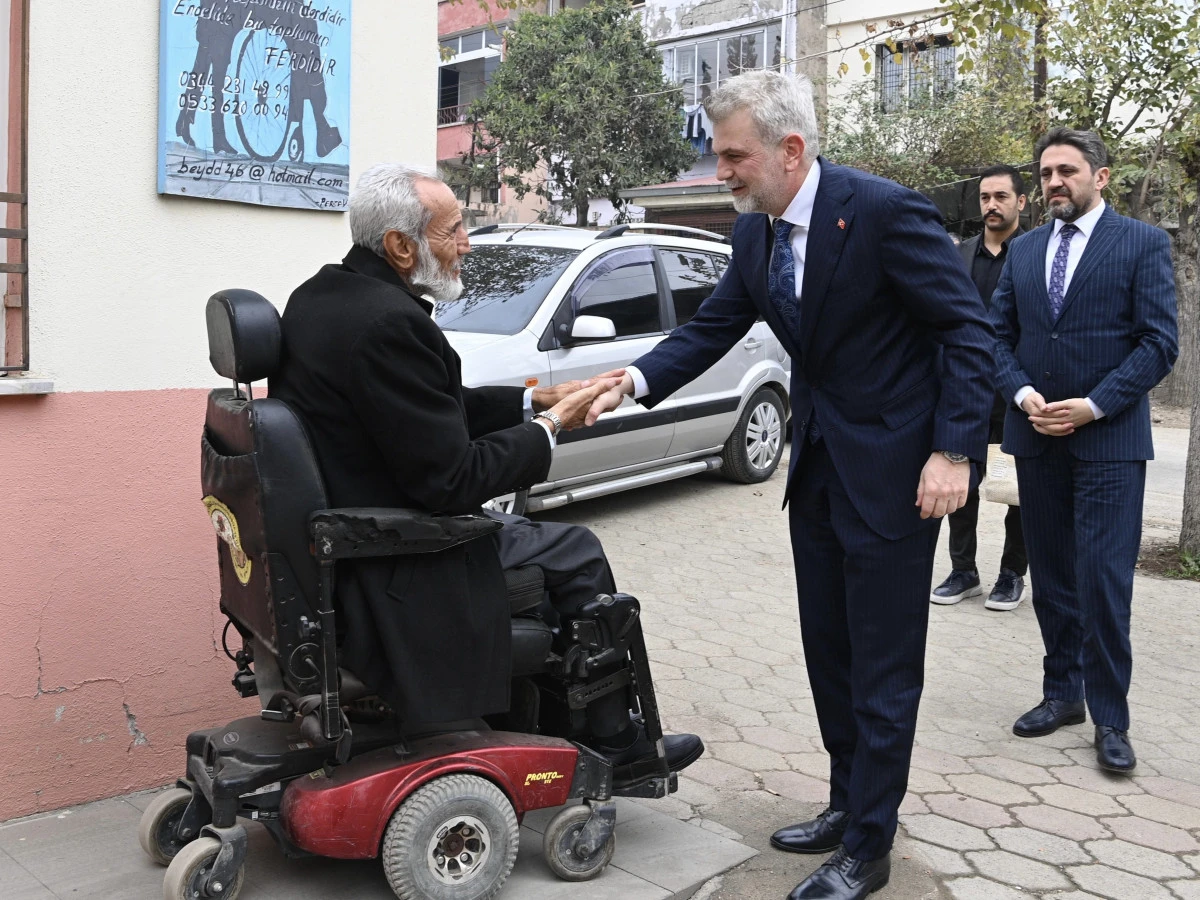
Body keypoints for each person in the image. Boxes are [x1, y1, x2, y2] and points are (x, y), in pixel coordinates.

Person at [588, 71, 994, 900]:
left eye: (734, 155)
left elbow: (966, 331)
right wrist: (628, 381)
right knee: (829, 653)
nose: (721, 172)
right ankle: (848, 805)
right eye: (719, 155)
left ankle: (870, 846)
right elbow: (712, 326)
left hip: (895, 477)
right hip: (815, 475)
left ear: (791, 149)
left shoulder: (883, 212)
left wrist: (954, 452)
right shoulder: (758, 234)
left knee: (884, 666)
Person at [269, 163, 703, 782]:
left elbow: (425, 412)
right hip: (395, 556)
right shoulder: (391, 322)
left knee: (556, 550)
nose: (467, 244)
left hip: (352, 524)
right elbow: (452, 481)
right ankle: (611, 739)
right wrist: (549, 434)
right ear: (399, 245)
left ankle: (553, 725)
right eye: (453, 231)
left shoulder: (322, 297)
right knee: (576, 551)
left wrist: (534, 403)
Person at [990, 128, 1178, 774]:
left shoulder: (1143, 244)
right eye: (1045, 173)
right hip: (1037, 440)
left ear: (1101, 177)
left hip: (1109, 441)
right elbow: (994, 337)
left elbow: (1158, 344)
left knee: (1102, 581)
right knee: (1053, 577)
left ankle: (1112, 718)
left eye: (1067, 171)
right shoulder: (1024, 252)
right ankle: (1062, 693)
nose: (1053, 183)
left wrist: (1093, 405)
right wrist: (1022, 396)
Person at [931, 164, 1030, 611]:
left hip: (1017, 395)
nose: (991, 205)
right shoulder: (959, 255)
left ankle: (1012, 575)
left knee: (1018, 493)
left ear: (1021, 202)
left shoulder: (1034, 254)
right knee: (961, 486)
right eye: (986, 197)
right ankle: (964, 571)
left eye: (1001, 197)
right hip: (965, 393)